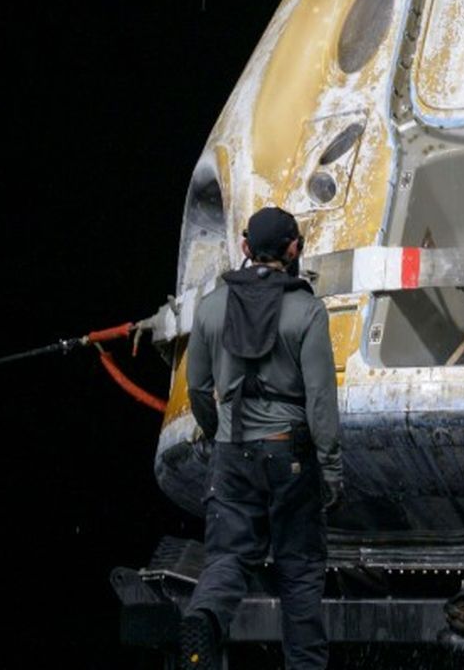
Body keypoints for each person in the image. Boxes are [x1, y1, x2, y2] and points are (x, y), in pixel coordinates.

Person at [180, 206, 343, 668]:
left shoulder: (211, 308)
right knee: (299, 573)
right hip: (290, 453)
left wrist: (219, 432)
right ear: (294, 249)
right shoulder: (307, 311)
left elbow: (197, 388)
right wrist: (331, 469)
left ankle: (206, 617)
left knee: (228, 558)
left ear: (245, 247)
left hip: (233, 451)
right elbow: (320, 399)